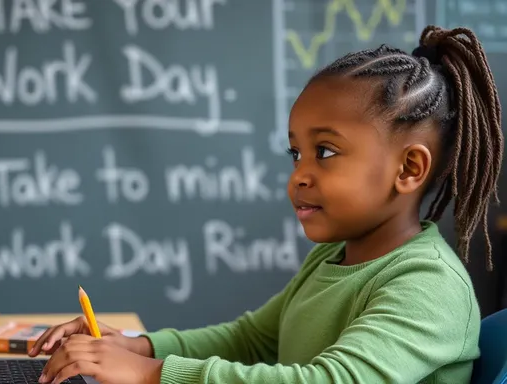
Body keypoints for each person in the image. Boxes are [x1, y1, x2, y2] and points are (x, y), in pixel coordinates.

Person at [30, 25, 504, 384]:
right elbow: (253, 339)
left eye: (326, 152)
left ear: (409, 170)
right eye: (295, 153)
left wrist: (154, 373)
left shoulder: (426, 285)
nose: (299, 173)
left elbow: (328, 381)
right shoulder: (335, 256)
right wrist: (135, 346)